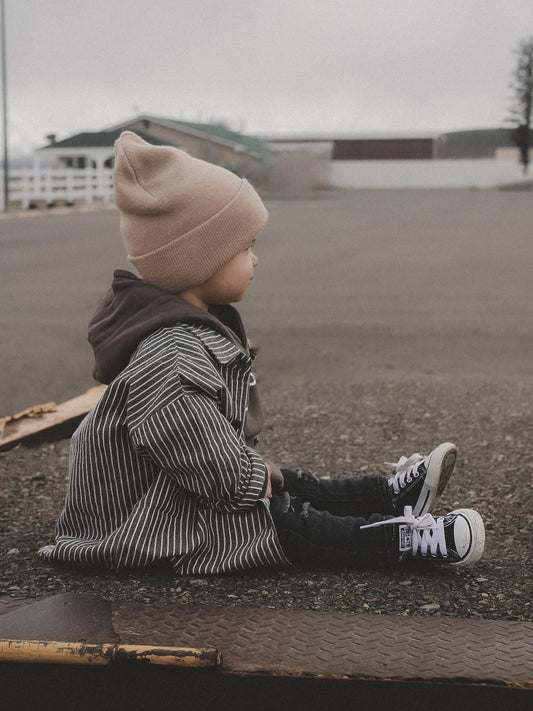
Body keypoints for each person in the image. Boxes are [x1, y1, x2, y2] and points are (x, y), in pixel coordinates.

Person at [40, 132, 485, 575]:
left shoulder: (188, 329)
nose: (255, 260)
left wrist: (261, 477)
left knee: (279, 481)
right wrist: (253, 483)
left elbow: (211, 454)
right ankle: (401, 540)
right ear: (200, 259)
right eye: (245, 247)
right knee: (284, 523)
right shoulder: (171, 356)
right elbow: (202, 457)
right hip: (147, 528)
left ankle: (384, 496)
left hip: (172, 496)